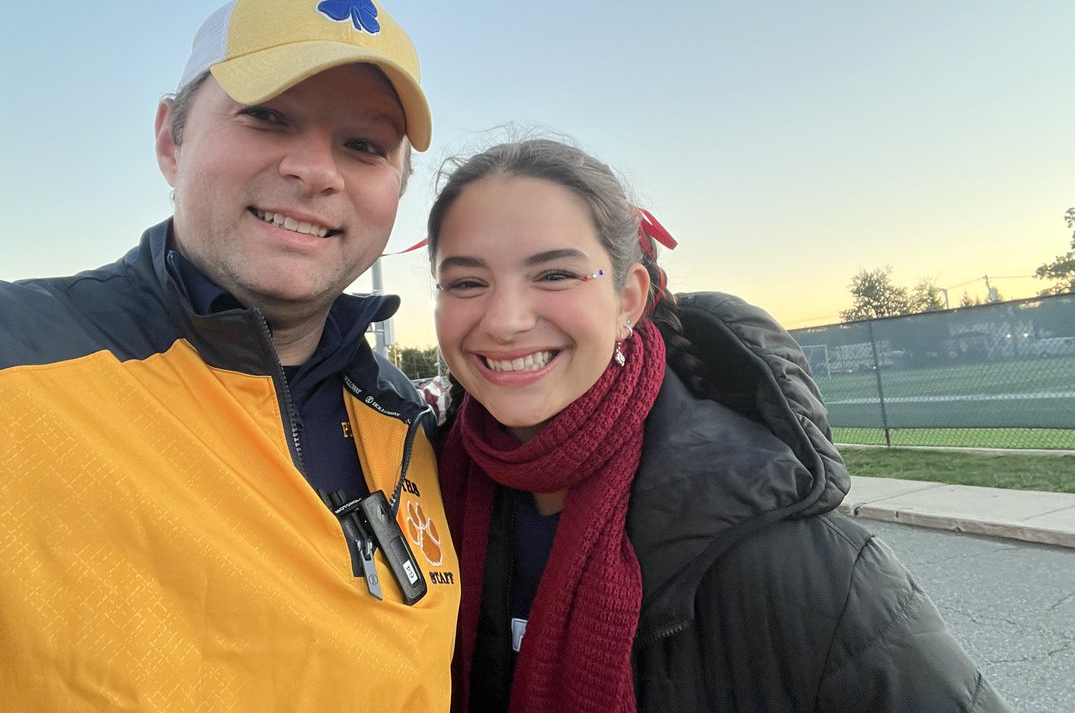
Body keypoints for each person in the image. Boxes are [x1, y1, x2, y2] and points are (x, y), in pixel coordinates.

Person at [0, 0, 459, 711]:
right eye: (268, 116)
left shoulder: (409, 419)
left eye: (365, 145)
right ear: (172, 140)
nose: (316, 171)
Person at [428, 138, 1010, 713]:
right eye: (467, 283)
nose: (504, 321)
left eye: (555, 274)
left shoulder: (793, 561)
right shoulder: (416, 505)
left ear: (627, 299)